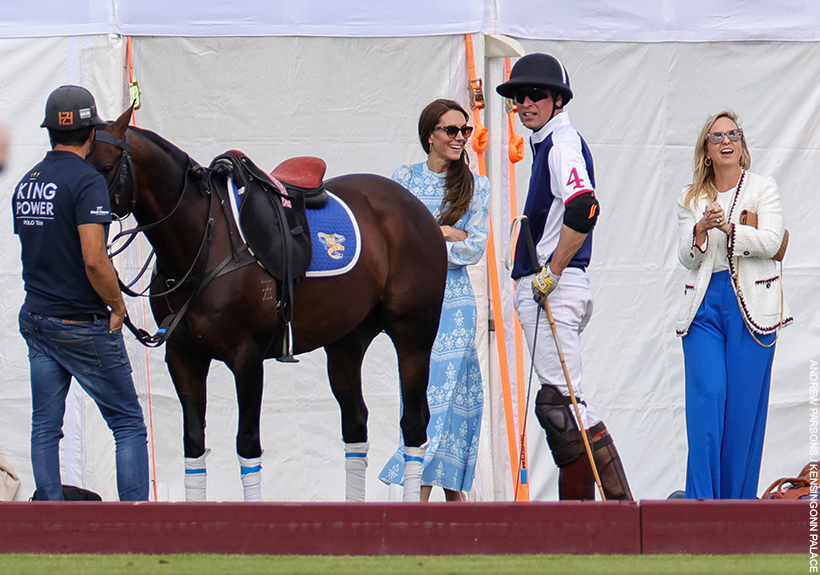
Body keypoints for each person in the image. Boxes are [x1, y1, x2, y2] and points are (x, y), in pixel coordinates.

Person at [496, 53, 632, 501]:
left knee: (564, 405)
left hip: (553, 288)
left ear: (558, 99)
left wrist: (551, 272)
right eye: (518, 96)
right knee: (559, 404)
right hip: (551, 288)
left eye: (536, 95)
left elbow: (584, 206)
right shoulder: (547, 144)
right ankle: (581, 515)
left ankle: (616, 510)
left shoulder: (561, 143)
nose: (525, 104)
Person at [13, 85, 149, 501]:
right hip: (80, 323)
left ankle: (50, 520)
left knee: (45, 425)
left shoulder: (27, 182)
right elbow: (93, 258)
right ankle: (136, 523)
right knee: (127, 423)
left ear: (50, 131)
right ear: (91, 134)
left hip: (37, 317)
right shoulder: (88, 182)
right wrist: (117, 304)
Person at [676, 110, 792, 499]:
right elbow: (687, 259)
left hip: (752, 307)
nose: (726, 141)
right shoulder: (691, 197)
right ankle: (700, 504)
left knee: (743, 414)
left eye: (733, 134)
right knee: (707, 398)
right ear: (706, 151)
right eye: (717, 137)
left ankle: (736, 510)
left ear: (742, 145)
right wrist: (700, 231)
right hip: (704, 307)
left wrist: (730, 229)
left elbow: (774, 242)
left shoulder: (763, 187)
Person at [379, 98, 490, 502]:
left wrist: (426, 237)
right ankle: (450, 501)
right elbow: (393, 245)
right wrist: (441, 232)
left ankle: (418, 498)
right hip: (412, 304)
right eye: (452, 130)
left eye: (466, 130)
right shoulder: (403, 178)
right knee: (432, 394)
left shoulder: (477, 186)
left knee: (451, 399)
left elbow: (472, 248)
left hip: (456, 304)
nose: (461, 137)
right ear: (431, 135)